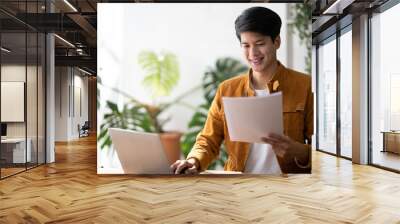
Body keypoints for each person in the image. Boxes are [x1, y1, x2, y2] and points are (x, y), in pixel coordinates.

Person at [171, 6, 313, 175]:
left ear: (277, 42)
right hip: (238, 187)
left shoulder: (305, 85)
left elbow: (324, 150)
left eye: (260, 44)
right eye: (245, 45)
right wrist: (194, 160)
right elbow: (208, 140)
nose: (253, 53)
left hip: (289, 189)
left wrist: (300, 151)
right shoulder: (227, 89)